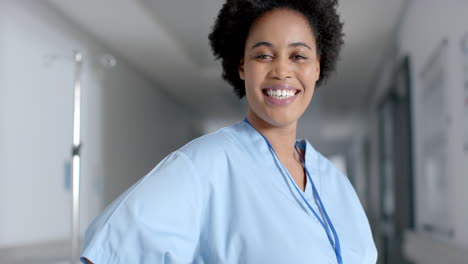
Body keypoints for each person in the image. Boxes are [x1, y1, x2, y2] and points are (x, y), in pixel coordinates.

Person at [80, 0, 377, 263]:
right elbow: (113, 252)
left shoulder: (335, 183)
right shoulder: (203, 165)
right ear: (242, 66)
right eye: (263, 55)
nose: (281, 71)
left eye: (298, 56)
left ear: (316, 67)